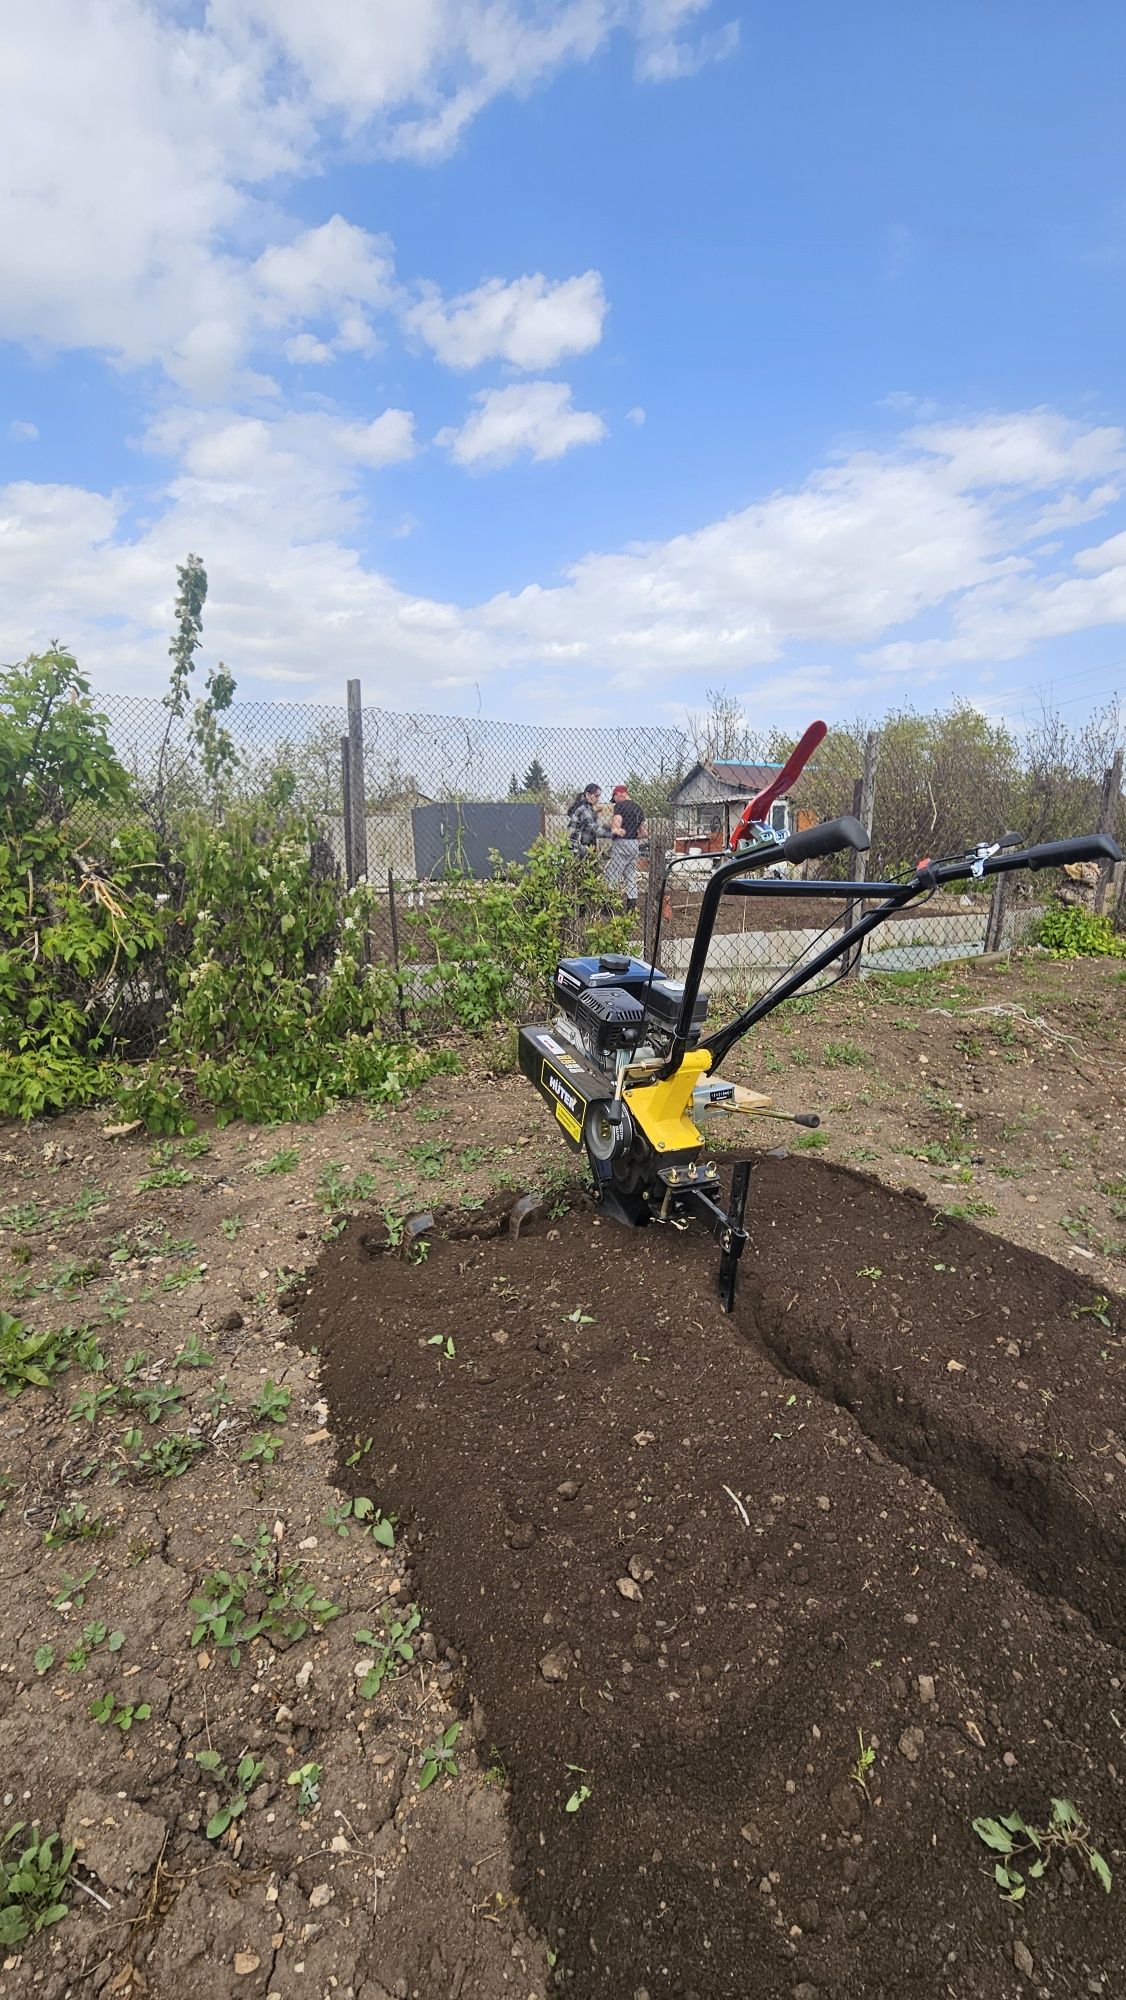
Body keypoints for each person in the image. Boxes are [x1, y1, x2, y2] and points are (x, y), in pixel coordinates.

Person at [606, 782, 646, 910]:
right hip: (634, 844)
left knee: (614, 874)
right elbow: (644, 833)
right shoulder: (639, 808)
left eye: (614, 799)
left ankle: (608, 907)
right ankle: (631, 907)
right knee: (630, 875)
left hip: (621, 843)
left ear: (619, 795)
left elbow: (617, 825)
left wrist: (613, 827)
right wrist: (632, 835)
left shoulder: (620, 806)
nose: (615, 802)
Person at [566, 783, 603, 858]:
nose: (598, 799)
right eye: (596, 796)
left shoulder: (583, 805)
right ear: (587, 795)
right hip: (581, 843)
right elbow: (593, 827)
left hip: (578, 842)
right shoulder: (584, 807)